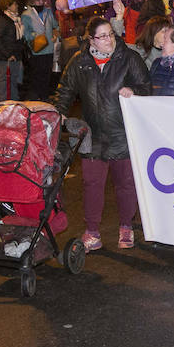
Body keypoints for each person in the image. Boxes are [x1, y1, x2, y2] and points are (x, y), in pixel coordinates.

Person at [52, 17, 151, 251]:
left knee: (125, 183)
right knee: (92, 184)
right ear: (91, 40)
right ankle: (92, 232)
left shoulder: (129, 58)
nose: (109, 40)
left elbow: (147, 87)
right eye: (103, 36)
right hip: (92, 135)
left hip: (122, 133)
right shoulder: (80, 62)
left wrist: (134, 90)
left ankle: (126, 226)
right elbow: (64, 90)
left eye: (111, 34)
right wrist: (60, 113)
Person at [22, 0, 59, 101]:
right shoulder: (26, 15)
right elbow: (25, 33)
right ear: (32, 2)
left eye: (41, 0)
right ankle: (36, 95)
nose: (41, 2)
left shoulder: (48, 12)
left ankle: (44, 96)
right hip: (36, 49)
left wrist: (55, 34)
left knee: (47, 73)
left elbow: (55, 26)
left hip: (49, 48)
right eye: (38, 0)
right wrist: (35, 36)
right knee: (37, 73)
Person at [0, 0, 25, 100]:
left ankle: (13, 100)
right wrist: (7, 55)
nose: (17, 6)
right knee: (5, 79)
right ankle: (2, 101)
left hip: (15, 54)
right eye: (14, 4)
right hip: (6, 56)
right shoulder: (3, 20)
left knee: (13, 79)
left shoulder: (16, 19)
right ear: (8, 6)